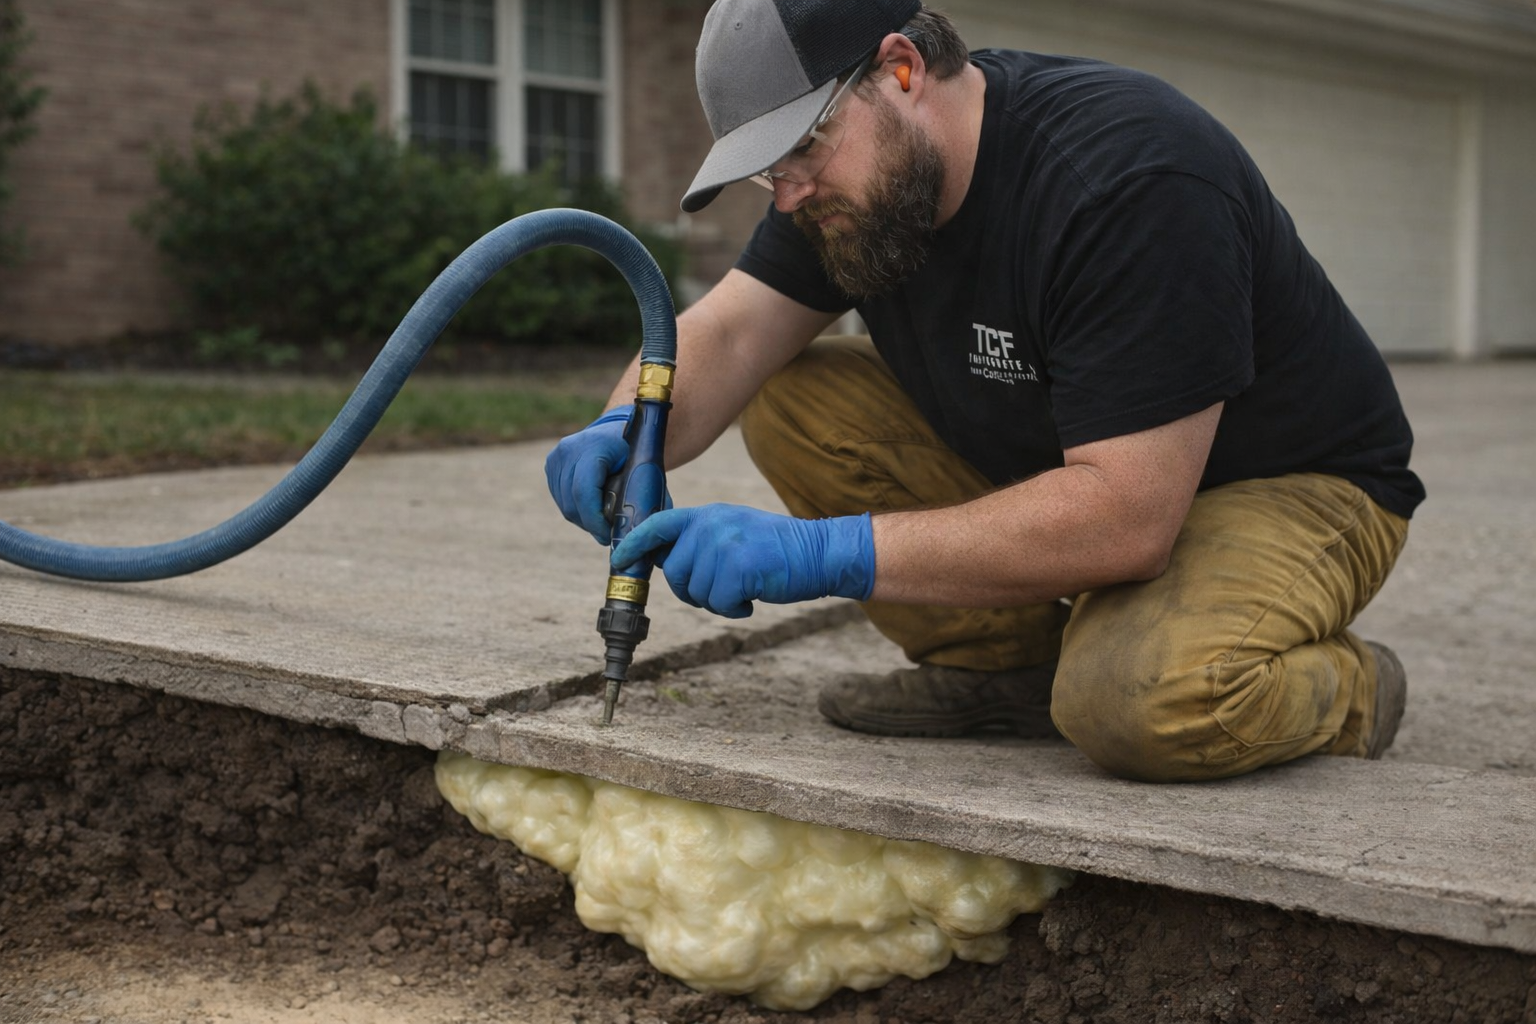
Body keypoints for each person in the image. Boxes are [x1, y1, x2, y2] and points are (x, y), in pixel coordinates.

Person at [545, 0, 1425, 783]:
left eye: (801, 147)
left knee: (1138, 701)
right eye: (765, 171)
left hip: (1288, 487)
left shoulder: (1129, 179)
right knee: (792, 394)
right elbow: (731, 331)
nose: (788, 194)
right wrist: (629, 426)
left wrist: (821, 552)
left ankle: (1351, 690)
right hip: (1079, 464)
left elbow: (1126, 515)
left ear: (900, 70)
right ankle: (1002, 673)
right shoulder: (847, 189)